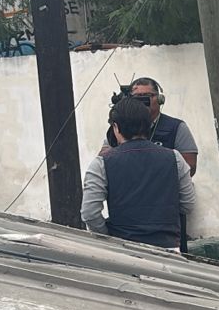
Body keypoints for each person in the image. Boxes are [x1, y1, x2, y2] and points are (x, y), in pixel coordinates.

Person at [83, 96, 197, 251]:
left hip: (122, 249)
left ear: (116, 127)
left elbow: (89, 213)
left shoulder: (102, 163)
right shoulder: (175, 158)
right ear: (149, 124)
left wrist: (107, 236)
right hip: (168, 248)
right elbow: (188, 204)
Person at [100, 77, 199, 176]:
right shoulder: (120, 126)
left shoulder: (176, 127)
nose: (143, 101)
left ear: (160, 99)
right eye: (138, 97)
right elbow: (103, 160)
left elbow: (190, 167)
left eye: (148, 96)